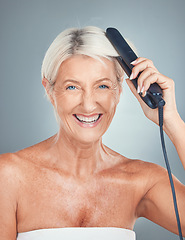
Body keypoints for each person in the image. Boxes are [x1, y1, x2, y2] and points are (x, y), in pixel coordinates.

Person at [0, 26, 184, 240]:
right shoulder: (9, 176)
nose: (88, 106)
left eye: (103, 86)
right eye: (72, 87)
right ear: (49, 91)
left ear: (119, 91)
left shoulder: (142, 180)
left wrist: (171, 121)